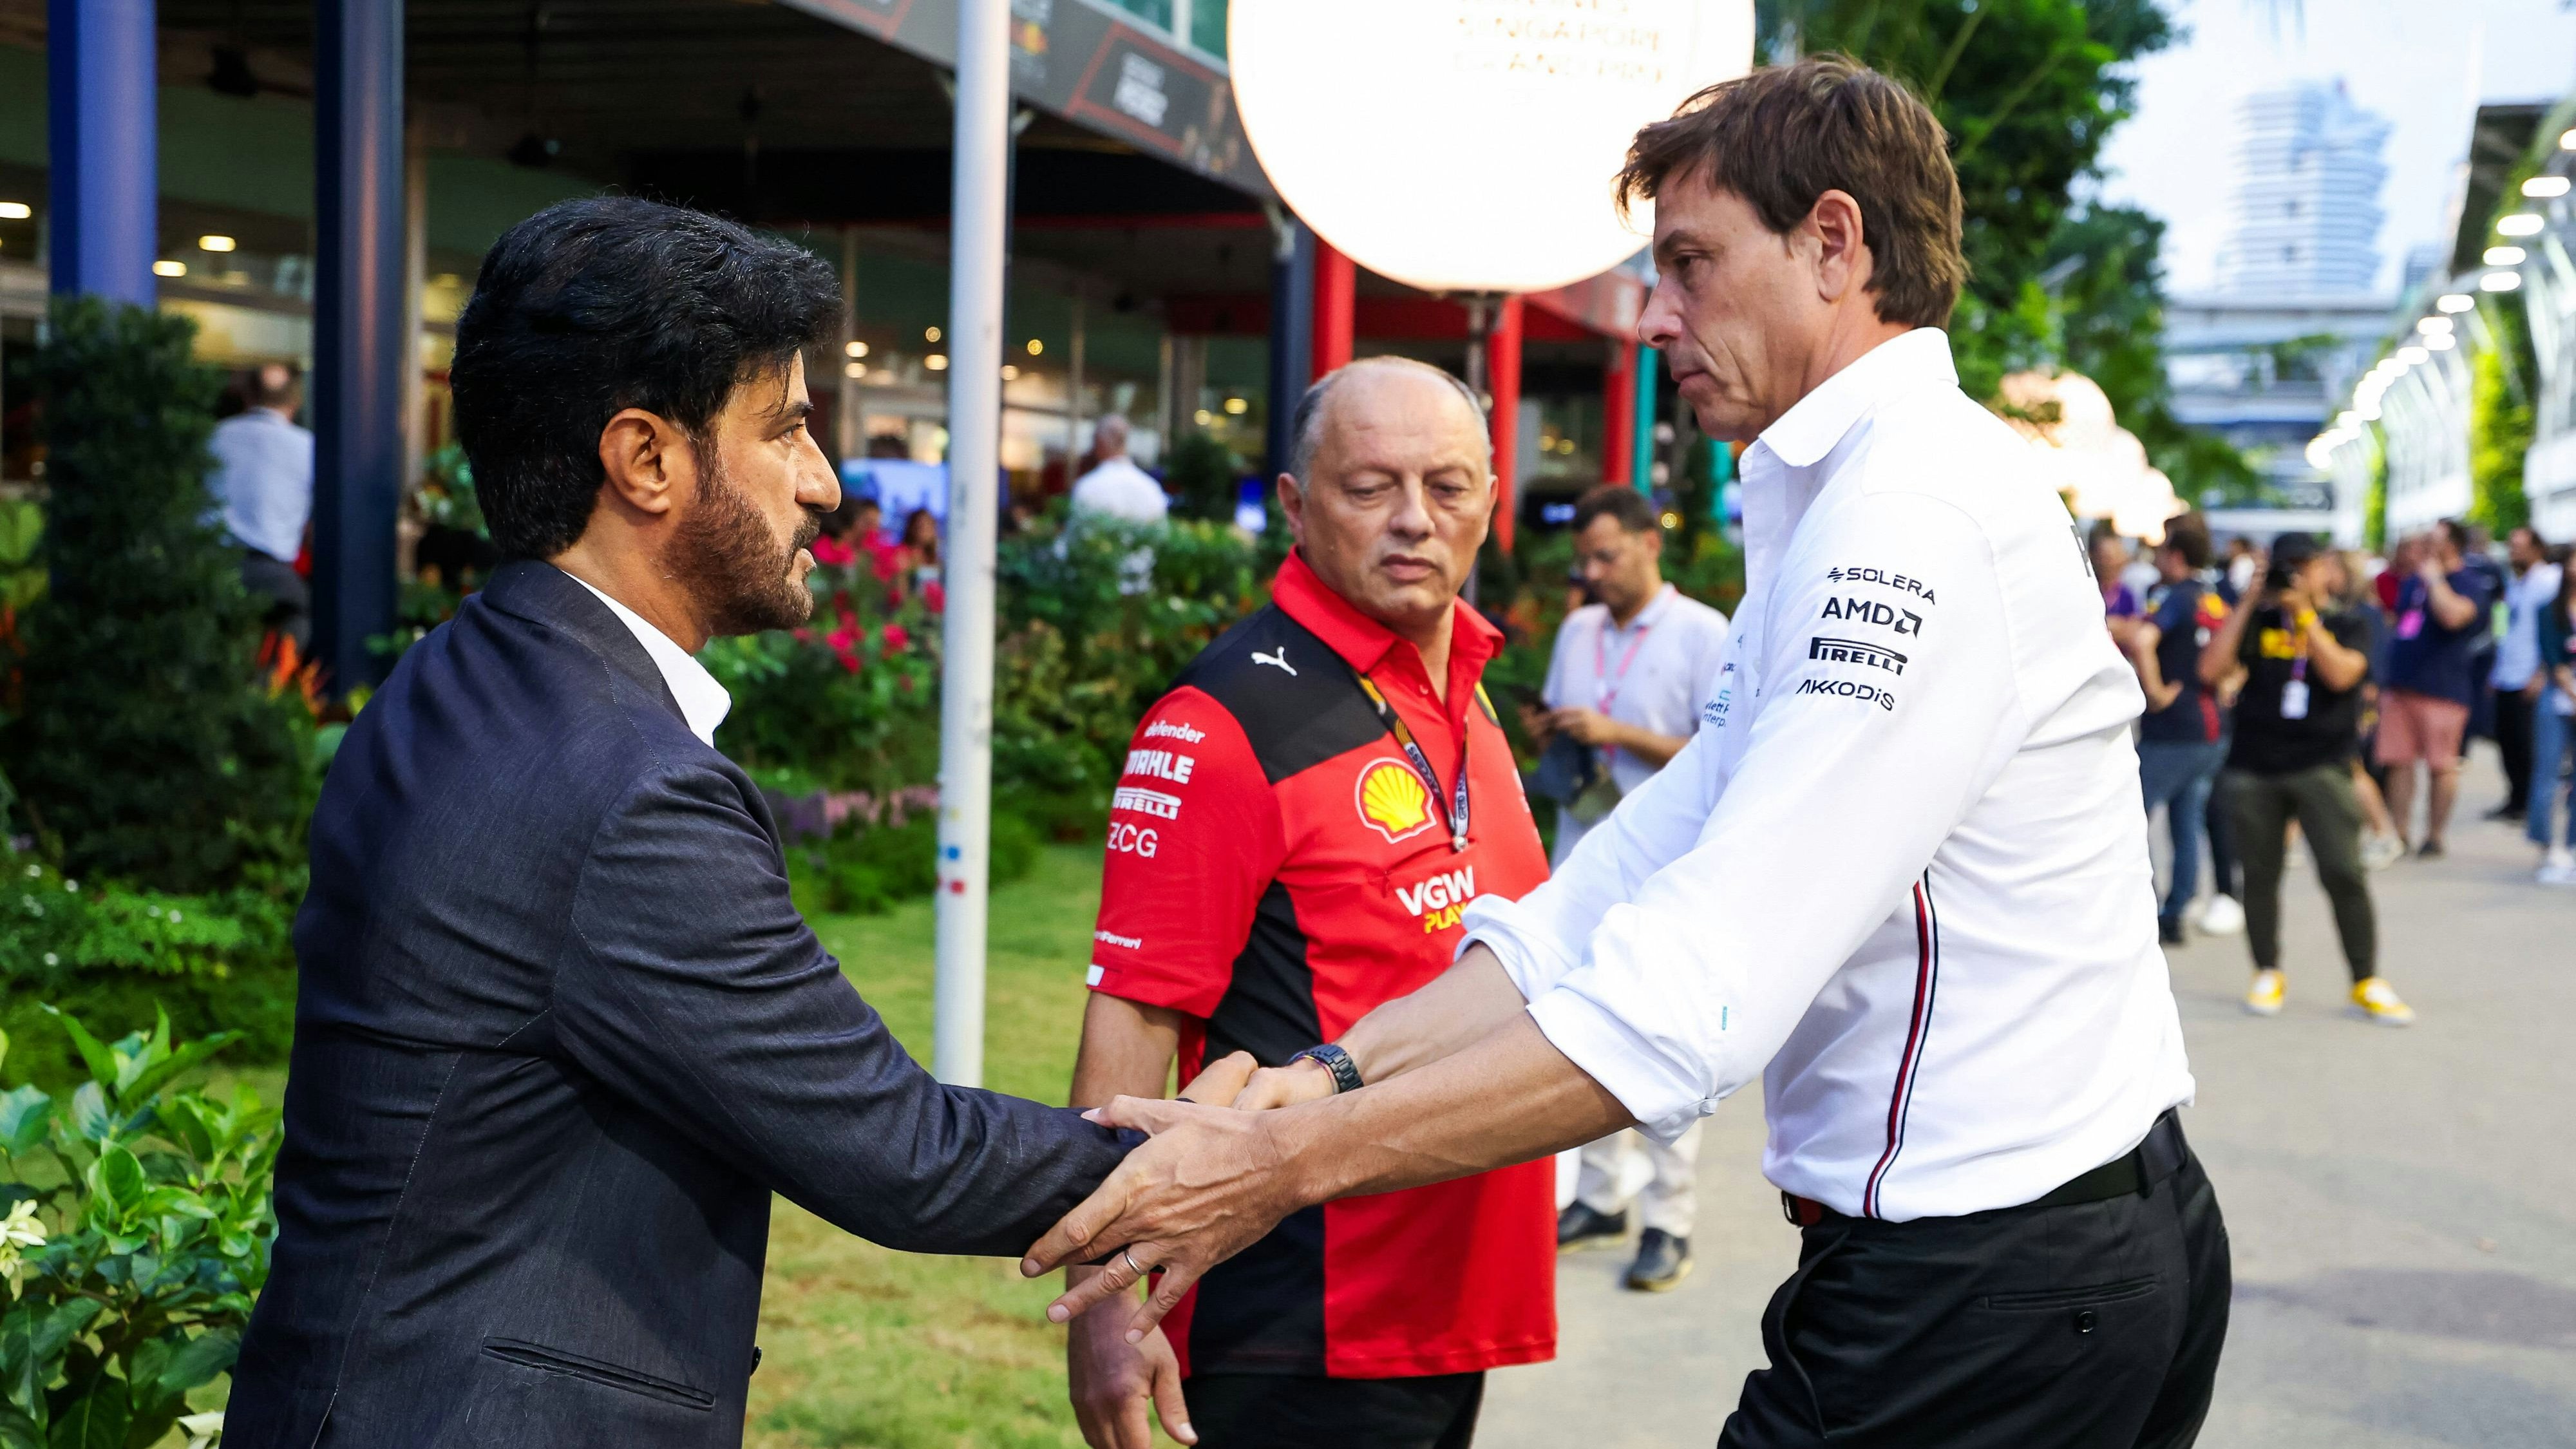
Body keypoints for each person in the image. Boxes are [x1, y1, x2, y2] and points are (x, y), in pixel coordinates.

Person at [1030, 57, 2230, 1449]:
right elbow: (1623, 880)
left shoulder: (1905, 516)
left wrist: (1284, 1160)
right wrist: (1337, 1073)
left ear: (1832, 244)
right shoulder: (1859, 492)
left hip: (1995, 1278)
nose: (1656, 314)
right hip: (2023, 1257)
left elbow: (1698, 987)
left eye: (1689, 262)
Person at [226, 198, 1132, 1449]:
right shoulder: (625, 788)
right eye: (786, 430)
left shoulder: (459, 673)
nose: (824, 485)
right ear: (644, 459)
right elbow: (899, 1150)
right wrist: (1232, 1155)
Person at [1065, 357, 1553, 1449]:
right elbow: (1133, 1018)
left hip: (1454, 1300)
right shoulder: (1221, 722)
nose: (1414, 519)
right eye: (1370, 486)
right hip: (1298, 1319)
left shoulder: (1467, 692)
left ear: (1491, 500)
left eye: (1447, 486)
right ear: (1294, 503)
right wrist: (1103, 1310)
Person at [1533, 484, 1729, 1289]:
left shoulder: (1703, 633)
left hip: (1668, 873)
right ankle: (1600, 1198)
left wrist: (1616, 732)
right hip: (1583, 855)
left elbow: (1725, 754)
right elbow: (1562, 719)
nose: (1592, 573)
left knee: (1665, 1042)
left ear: (1652, 543)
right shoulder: (1578, 629)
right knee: (1582, 1035)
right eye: (1583, 559)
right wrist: (1554, 731)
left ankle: (1668, 1221)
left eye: (1606, 556)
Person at [2197, 534, 2413, 1025]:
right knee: (2259, 875)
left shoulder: (2349, 621)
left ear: (2323, 569)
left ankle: (2365, 978)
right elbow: (2211, 669)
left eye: (2303, 566)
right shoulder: (2256, 619)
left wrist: (2304, 616)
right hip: (2255, 765)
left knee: (2343, 872)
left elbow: (2343, 675)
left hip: (2322, 764)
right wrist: (2249, 602)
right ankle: (2266, 970)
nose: (2294, 576)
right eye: (2285, 567)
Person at [2125, 513, 2230, 943]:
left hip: (2173, 729)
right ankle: (2176, 911)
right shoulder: (2212, 597)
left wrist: (2153, 691)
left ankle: (2142, 910)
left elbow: (2142, 640)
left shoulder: (2174, 597)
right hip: (2211, 728)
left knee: (2131, 814)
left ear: (2177, 553)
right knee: (2187, 824)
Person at [2377, 518, 2496, 857]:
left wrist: (2435, 580)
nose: (2426, 543)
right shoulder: (2413, 580)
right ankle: (2399, 833)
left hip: (2443, 690)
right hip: (2401, 686)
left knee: (2441, 764)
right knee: (2398, 761)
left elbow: (2454, 617)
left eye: (2434, 539)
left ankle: (2434, 835)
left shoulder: (2468, 582)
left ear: (2452, 545)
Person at [208, 361, 314, 652]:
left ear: (247, 396)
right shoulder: (308, 448)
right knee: (292, 632)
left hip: (213, 570)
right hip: (274, 578)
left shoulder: (213, 437)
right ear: (296, 402)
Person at [2489, 526, 2561, 822]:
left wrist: (2542, 672)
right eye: (2511, 547)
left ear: (2537, 548)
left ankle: (2533, 805)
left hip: (2530, 675)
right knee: (2507, 741)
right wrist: (2496, 672)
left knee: (2526, 744)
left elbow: (2554, 629)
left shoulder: (2549, 580)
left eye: (2519, 547)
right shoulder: (2516, 582)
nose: (2513, 552)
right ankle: (2516, 798)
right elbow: (2507, 629)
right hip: (2508, 673)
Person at [2530, 553, 2576, 884]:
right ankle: (2546, 845)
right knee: (2547, 774)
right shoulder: (2550, 610)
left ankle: (2573, 846)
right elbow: (2553, 659)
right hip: (2558, 697)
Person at [1071, 415, 1172, 524]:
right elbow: (1160, 530)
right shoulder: (1151, 488)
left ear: (1099, 442)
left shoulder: (1088, 486)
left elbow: (1078, 531)